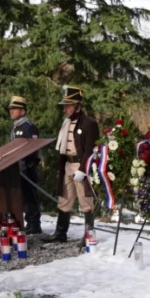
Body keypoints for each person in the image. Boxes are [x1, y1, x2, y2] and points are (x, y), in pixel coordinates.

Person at [47, 85, 97, 243]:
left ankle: (89, 235)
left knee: (85, 202)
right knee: (64, 200)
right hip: (68, 165)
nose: (65, 110)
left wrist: (83, 169)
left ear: (78, 107)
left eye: (68, 106)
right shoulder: (66, 123)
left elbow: (90, 149)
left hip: (80, 166)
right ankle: (60, 233)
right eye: (65, 106)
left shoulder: (89, 124)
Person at [8, 95, 43, 235]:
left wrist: (26, 162)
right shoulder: (15, 128)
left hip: (28, 167)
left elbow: (33, 148)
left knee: (31, 196)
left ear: (22, 111)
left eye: (14, 109)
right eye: (10, 109)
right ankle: (29, 222)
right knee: (24, 197)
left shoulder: (29, 127)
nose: (11, 111)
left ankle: (35, 224)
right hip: (18, 167)